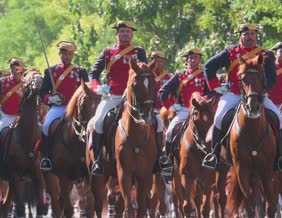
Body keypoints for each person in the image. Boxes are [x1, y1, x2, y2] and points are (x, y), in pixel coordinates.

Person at [202, 23, 282, 172]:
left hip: (257, 97)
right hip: (234, 95)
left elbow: (272, 77)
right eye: (246, 34)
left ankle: (280, 158)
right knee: (218, 118)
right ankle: (214, 155)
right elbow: (208, 66)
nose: (249, 37)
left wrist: (262, 91)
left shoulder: (266, 54)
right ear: (240, 36)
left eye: (252, 34)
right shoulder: (230, 52)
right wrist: (216, 87)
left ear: (256, 36)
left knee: (279, 118)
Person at [89, 20, 154, 176]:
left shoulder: (139, 52)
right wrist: (97, 87)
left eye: (128, 32)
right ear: (116, 34)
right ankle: (97, 160)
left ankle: (159, 160)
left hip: (134, 99)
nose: (125, 34)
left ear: (132, 34)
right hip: (112, 96)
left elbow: (144, 72)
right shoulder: (107, 52)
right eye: (122, 31)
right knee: (97, 122)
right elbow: (93, 74)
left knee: (156, 121)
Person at [39, 41, 89, 171]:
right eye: (65, 54)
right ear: (60, 54)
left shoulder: (80, 71)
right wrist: (50, 98)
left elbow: (88, 90)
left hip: (76, 108)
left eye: (70, 54)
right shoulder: (51, 71)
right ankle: (46, 157)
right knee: (46, 126)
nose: (67, 57)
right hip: (59, 107)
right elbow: (43, 92)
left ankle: (92, 156)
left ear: (73, 56)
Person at [158, 48, 209, 175]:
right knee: (170, 132)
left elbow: (211, 92)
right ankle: (168, 161)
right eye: (190, 58)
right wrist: (172, 106)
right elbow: (162, 92)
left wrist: (205, 102)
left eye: (196, 57)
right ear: (186, 60)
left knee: (213, 129)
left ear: (200, 59)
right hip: (184, 110)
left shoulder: (205, 75)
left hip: (201, 110)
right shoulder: (180, 76)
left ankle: (215, 157)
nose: (193, 60)